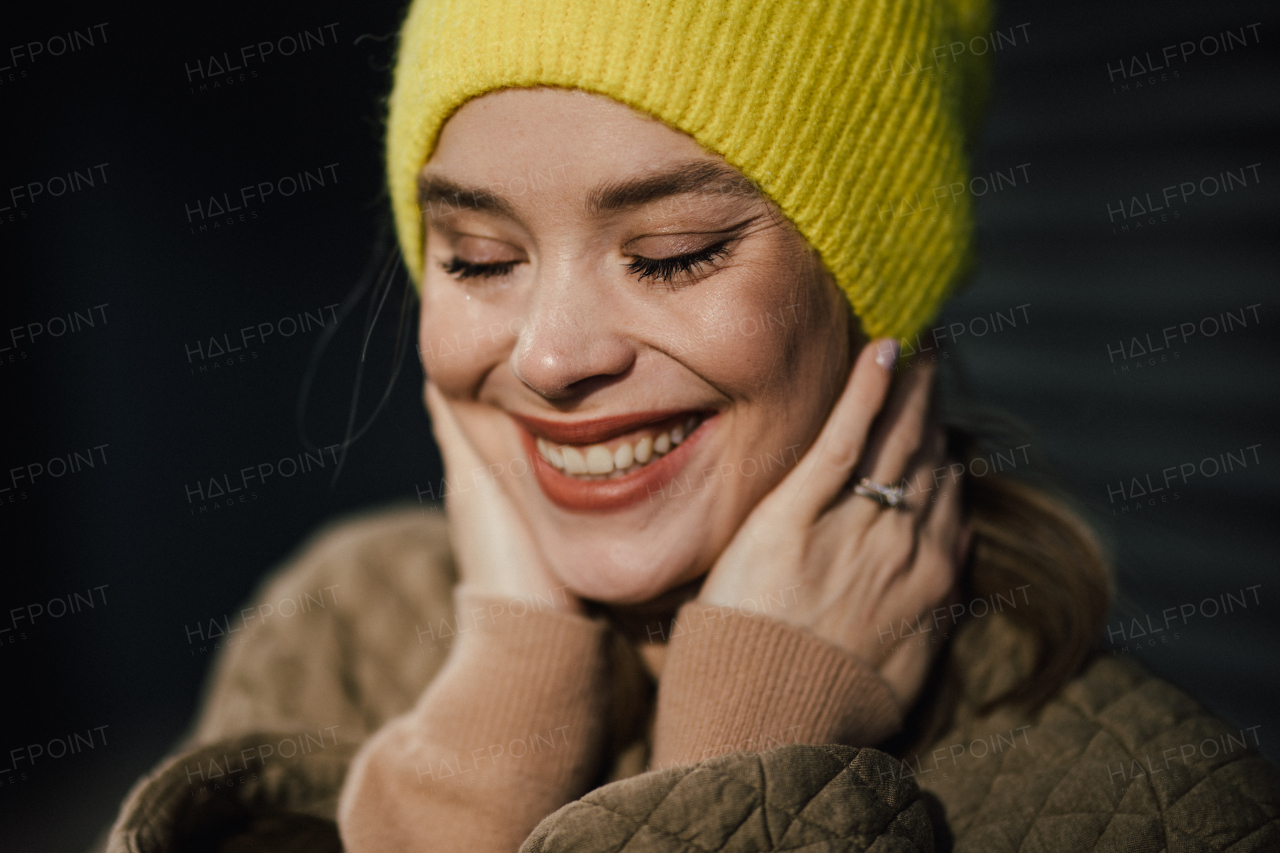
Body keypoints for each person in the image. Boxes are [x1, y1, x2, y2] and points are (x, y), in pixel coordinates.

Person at [101, 0, 1279, 850]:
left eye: (673, 254)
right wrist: (475, 766)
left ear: (879, 283)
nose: (552, 356)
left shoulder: (1155, 804)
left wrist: (737, 782)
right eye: (480, 257)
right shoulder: (337, 626)